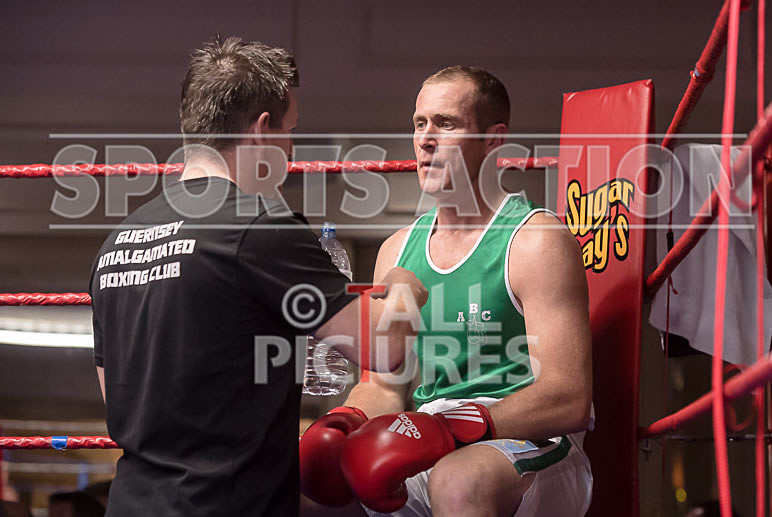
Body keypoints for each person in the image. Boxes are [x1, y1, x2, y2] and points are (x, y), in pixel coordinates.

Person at [90, 36, 426, 517]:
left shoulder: (115, 246)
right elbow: (385, 350)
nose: (290, 149)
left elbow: (117, 396)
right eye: (290, 131)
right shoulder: (260, 225)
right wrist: (400, 285)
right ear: (262, 129)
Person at [300, 66, 593, 516]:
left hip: (527, 444)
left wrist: (457, 427)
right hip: (428, 437)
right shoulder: (396, 250)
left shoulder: (535, 240)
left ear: (494, 140)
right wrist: (346, 422)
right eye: (420, 124)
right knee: (354, 473)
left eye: (447, 123)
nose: (426, 138)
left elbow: (568, 396)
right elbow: (384, 384)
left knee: (457, 479)